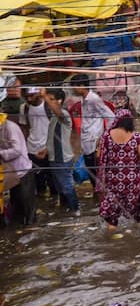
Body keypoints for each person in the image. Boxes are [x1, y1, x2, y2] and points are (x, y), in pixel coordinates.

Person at [96, 109, 140, 230]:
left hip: (113, 179)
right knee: (136, 211)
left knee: (112, 213)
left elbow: (99, 155)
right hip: (132, 179)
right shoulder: (136, 136)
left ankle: (111, 237)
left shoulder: (106, 136)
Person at [70, 74, 115, 190]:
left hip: (94, 142)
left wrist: (103, 138)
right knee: (92, 174)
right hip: (87, 142)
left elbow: (111, 117)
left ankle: (101, 200)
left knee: (97, 176)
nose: (73, 89)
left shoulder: (93, 99)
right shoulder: (84, 99)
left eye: (74, 86)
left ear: (81, 86)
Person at [40, 88, 80, 216]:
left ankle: (75, 211)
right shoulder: (53, 117)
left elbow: (58, 111)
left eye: (52, 100)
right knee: (60, 187)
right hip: (54, 157)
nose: (48, 102)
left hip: (62, 158)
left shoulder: (64, 114)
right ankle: (66, 210)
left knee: (67, 186)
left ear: (60, 101)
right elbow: (53, 136)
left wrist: (45, 96)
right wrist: (46, 149)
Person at [17, 87, 56, 197]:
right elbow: (24, 128)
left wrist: (50, 147)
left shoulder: (48, 106)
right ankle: (42, 202)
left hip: (48, 148)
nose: (29, 99)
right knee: (37, 182)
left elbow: (58, 125)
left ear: (39, 93)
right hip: (32, 149)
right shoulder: (24, 108)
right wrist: (23, 148)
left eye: (32, 95)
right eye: (27, 96)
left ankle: (54, 202)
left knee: (52, 180)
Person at [0, 110, 35, 225]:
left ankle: (30, 225)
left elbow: (17, 150)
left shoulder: (10, 127)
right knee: (16, 200)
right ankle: (18, 224)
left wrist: (1, 153)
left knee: (27, 201)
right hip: (10, 172)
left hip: (22, 170)